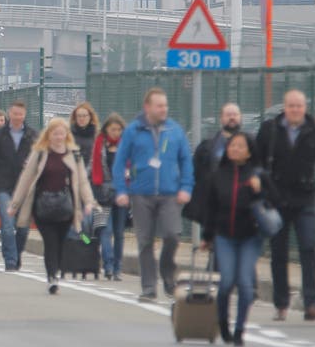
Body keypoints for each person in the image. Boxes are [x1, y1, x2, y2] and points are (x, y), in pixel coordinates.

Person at [256, 89, 315, 322]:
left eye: (299, 106)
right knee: (278, 252)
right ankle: (281, 304)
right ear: (284, 107)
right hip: (276, 200)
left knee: (308, 248)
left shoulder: (313, 131)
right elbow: (255, 162)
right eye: (291, 106)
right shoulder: (270, 130)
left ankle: (311, 304)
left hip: (305, 198)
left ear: (305, 108)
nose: (295, 110)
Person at [113, 87, 194, 302]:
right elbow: (120, 162)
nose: (164, 109)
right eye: (159, 106)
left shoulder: (175, 131)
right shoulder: (133, 131)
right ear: (147, 107)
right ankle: (149, 288)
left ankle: (168, 273)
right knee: (145, 241)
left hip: (169, 193)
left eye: (165, 105)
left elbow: (186, 160)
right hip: (141, 194)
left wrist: (186, 187)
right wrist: (122, 190)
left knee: (172, 236)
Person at [202, 132, 275, 346]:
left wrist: (260, 191)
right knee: (225, 283)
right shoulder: (218, 175)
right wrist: (207, 237)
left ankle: (240, 328)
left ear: (249, 151)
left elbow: (276, 201)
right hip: (224, 237)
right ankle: (223, 322)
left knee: (244, 284)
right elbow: (211, 209)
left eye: (240, 146)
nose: (235, 149)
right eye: (232, 145)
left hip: (250, 237)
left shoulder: (258, 174)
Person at [9, 117, 97, 294]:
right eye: (55, 133)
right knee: (50, 242)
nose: (58, 136)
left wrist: (88, 202)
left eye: (61, 133)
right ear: (49, 135)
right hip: (43, 207)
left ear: (66, 135)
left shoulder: (74, 154)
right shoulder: (40, 153)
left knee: (61, 242)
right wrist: (15, 204)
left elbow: (82, 181)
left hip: (66, 208)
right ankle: (52, 277)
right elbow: (25, 179)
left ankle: (55, 270)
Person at [0, 100, 38, 271]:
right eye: (14, 114)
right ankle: (10, 260)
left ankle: (16, 253)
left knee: (23, 227)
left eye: (20, 114)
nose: (17, 117)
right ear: (9, 114)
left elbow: (41, 160)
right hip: (4, 185)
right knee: (7, 224)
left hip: (25, 187)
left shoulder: (32, 135)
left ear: (24, 115)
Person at [185, 103, 242, 225]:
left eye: (235, 114)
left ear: (240, 117)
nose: (232, 117)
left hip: (242, 206)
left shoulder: (251, 145)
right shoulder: (207, 148)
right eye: (228, 115)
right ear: (221, 118)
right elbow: (194, 173)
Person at [91, 113, 127, 281]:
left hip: (121, 193)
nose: (116, 132)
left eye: (119, 130)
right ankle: (109, 266)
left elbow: (132, 168)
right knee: (106, 231)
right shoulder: (98, 145)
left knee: (119, 233)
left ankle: (118, 267)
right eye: (113, 129)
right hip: (102, 194)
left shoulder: (125, 146)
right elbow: (91, 168)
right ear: (106, 129)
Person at [70, 101, 100, 169]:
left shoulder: (97, 134)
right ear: (75, 117)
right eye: (79, 116)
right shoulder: (69, 134)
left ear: (90, 117)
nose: (81, 118)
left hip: (91, 173)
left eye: (84, 116)